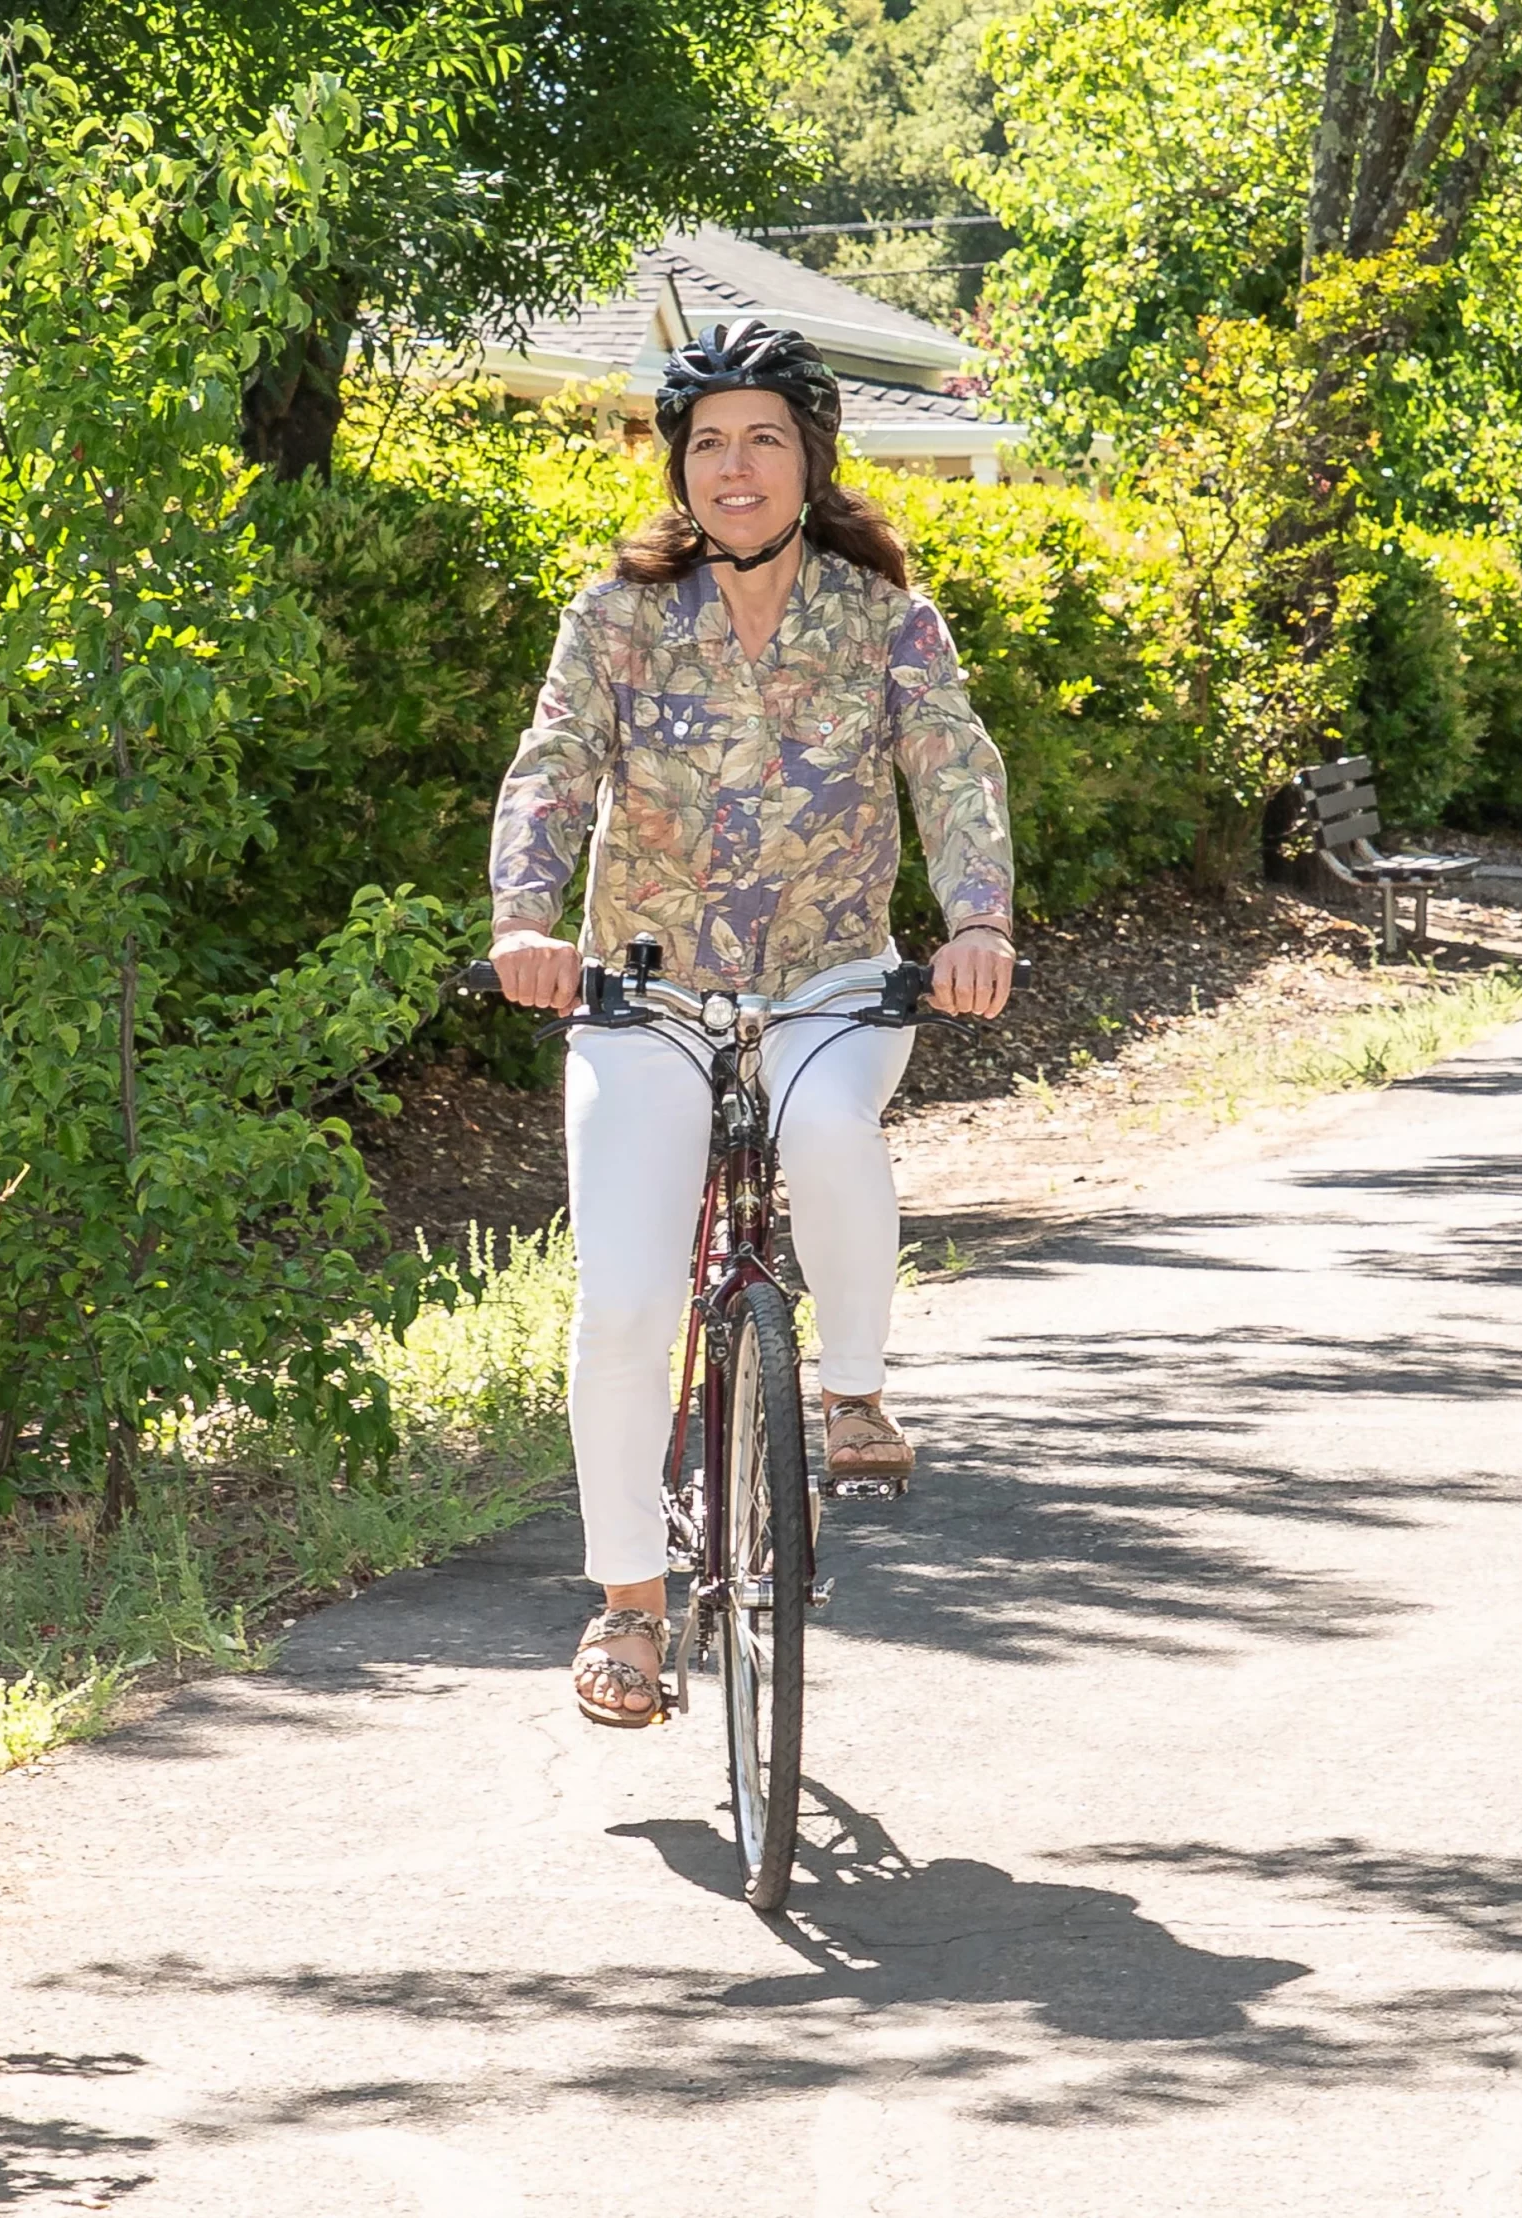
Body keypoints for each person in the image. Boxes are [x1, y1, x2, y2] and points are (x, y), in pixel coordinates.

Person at [487, 319, 1016, 1729]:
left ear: (811, 459)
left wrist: (977, 922)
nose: (735, 467)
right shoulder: (615, 618)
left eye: (763, 439)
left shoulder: (889, 621)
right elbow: (552, 770)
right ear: (680, 467)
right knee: (626, 1301)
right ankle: (629, 1605)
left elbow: (953, 769)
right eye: (709, 442)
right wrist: (526, 923)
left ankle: (851, 1394)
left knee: (829, 1124)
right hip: (645, 992)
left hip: (832, 982)